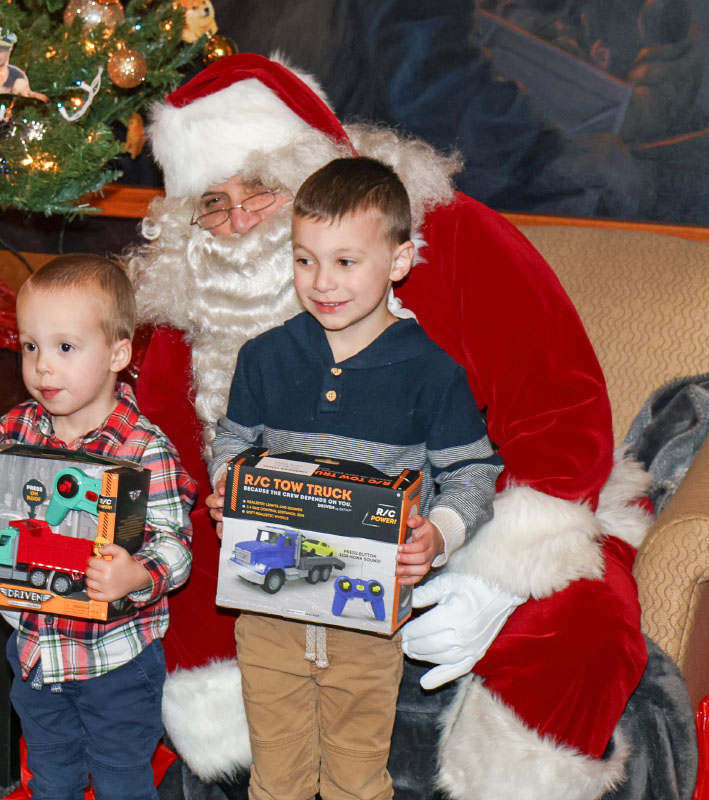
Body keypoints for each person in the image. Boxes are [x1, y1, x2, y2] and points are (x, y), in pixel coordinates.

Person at [125, 54, 677, 800]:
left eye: (260, 187)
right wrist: (225, 498)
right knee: (183, 620)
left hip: (479, 519)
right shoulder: (201, 300)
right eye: (214, 204)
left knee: (581, 628)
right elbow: (176, 461)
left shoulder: (451, 241)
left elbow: (558, 411)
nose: (241, 221)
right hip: (296, 541)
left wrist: (489, 575)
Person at [204, 156, 508, 799]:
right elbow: (233, 441)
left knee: (357, 778)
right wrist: (231, 484)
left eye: (346, 261)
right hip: (268, 611)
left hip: (366, 621)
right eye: (305, 259)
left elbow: (474, 472)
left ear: (399, 261)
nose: (322, 282)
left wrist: (440, 534)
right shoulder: (264, 357)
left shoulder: (432, 373)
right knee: (275, 778)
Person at [0, 254, 195, 800]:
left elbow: (176, 546)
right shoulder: (14, 428)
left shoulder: (145, 448)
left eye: (65, 347)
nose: (43, 366)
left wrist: (137, 575)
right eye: (30, 346)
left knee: (121, 782)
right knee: (49, 776)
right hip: (35, 653)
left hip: (116, 661)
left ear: (118, 354)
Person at [0, 27, 49, 102]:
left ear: (9, 52)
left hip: (18, 89)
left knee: (19, 86)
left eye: (1, 51)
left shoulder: (11, 74)